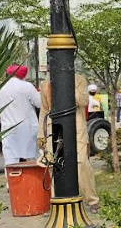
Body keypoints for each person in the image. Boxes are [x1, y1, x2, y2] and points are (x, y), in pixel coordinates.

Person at [38, 73, 100, 213]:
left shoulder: (79, 79)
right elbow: (44, 110)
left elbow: (84, 101)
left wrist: (66, 86)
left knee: (81, 164)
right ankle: (57, 202)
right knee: (54, 165)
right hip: (54, 127)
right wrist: (41, 135)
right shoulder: (46, 83)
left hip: (76, 127)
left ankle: (92, 200)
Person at [0, 65, 41, 166]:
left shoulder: (0, 88)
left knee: (10, 160)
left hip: (8, 129)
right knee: (34, 158)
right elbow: (39, 103)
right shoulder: (27, 86)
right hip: (28, 128)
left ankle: (12, 176)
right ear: (23, 75)